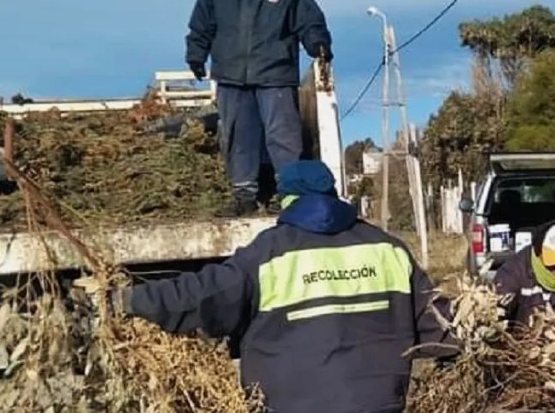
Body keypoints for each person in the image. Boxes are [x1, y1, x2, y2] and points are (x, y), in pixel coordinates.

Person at [76, 160, 453, 413]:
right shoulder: (388, 248)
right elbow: (440, 326)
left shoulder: (270, 253)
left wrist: (125, 298)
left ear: (287, 201)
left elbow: (201, 295)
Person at [185, 0, 333, 217]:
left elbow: (310, 20)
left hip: (275, 75)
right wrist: (196, 53)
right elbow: (203, 18)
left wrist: (318, 44)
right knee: (239, 137)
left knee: (283, 137)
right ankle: (244, 198)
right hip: (231, 74)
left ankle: (290, 195)